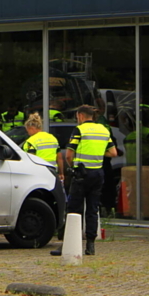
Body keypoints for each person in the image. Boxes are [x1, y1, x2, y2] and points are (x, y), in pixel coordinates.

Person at [51, 104, 116, 256]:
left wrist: (73, 167)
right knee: (93, 209)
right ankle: (91, 246)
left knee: (74, 209)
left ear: (80, 116)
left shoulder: (79, 130)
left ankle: (69, 244)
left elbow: (68, 155)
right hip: (98, 173)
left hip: (81, 174)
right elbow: (113, 152)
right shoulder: (104, 130)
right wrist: (98, 153)